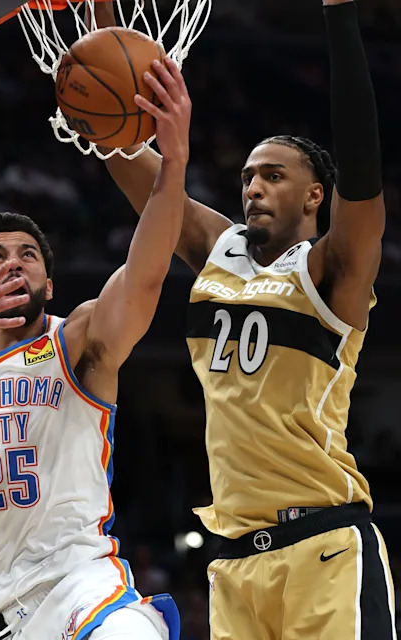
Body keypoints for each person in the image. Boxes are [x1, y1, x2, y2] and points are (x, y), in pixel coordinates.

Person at [99, 1, 396, 637]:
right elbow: (124, 150)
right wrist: (105, 37)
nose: (252, 187)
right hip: (234, 563)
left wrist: (342, 17)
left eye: (273, 175)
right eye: (247, 176)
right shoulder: (219, 250)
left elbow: (365, 174)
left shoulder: (332, 272)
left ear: (316, 194)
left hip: (324, 545)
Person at [0, 58, 192, 640]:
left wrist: (172, 166)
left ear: (47, 286)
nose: (13, 263)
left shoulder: (76, 340)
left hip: (84, 588)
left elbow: (145, 275)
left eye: (28, 256)